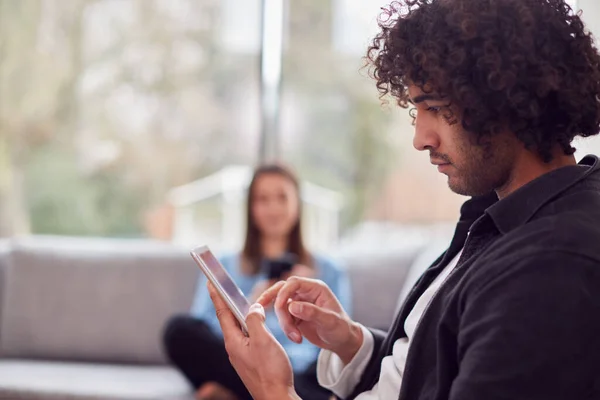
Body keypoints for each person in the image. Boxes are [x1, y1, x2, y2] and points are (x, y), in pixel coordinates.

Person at [206, 0, 600, 399]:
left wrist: (274, 391)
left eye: (436, 107)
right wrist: (349, 341)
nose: (420, 139)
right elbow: (426, 375)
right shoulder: (501, 215)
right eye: (418, 110)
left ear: (507, 98)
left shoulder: (550, 265)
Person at [163, 164, 351, 400]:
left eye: (282, 198)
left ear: (297, 204)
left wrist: (311, 307)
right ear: (251, 208)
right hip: (244, 363)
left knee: (362, 351)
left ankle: (238, 394)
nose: (273, 208)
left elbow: (342, 339)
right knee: (179, 331)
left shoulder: (328, 270)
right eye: (263, 199)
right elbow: (203, 326)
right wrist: (249, 308)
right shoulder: (225, 266)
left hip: (302, 372)